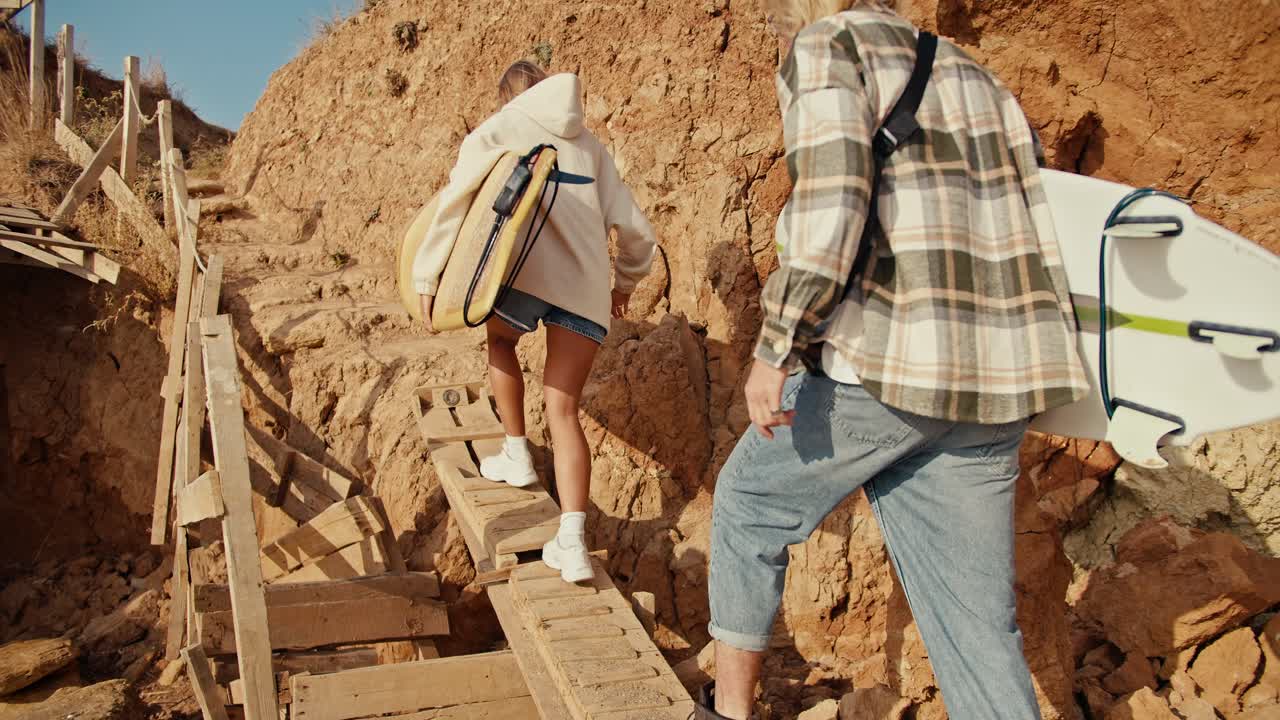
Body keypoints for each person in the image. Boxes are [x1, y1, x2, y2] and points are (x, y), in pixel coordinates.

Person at [699, 1, 1090, 718]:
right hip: (998, 384)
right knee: (975, 630)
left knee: (750, 505)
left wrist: (776, 346)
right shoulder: (975, 73)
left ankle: (727, 713)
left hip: (892, 372)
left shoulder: (830, 46)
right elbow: (1041, 206)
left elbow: (832, 208)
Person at [413, 61, 656, 583]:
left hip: (524, 275)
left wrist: (428, 279)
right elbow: (638, 231)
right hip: (586, 287)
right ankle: (572, 544)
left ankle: (516, 451)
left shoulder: (500, 127)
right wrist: (624, 284)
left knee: (500, 343)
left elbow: (455, 203)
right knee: (563, 411)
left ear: (507, 97)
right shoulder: (591, 147)